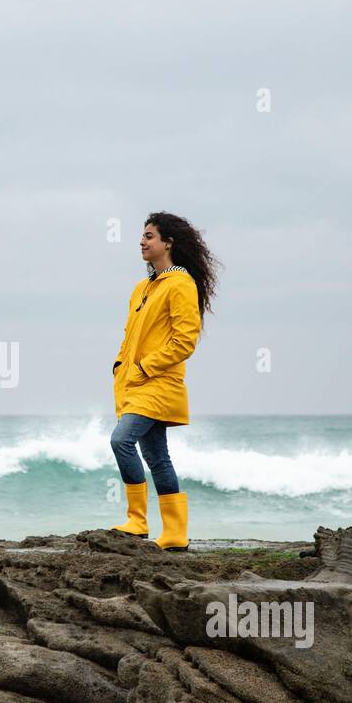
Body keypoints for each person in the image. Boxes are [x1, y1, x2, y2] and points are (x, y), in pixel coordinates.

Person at [109, 212, 218, 551]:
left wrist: (145, 367)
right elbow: (131, 336)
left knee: (121, 440)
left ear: (168, 243)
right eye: (142, 236)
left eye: (150, 236)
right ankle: (174, 534)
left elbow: (185, 340)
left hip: (158, 382)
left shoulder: (181, 283)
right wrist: (120, 366)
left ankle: (137, 521)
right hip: (133, 383)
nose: (142, 242)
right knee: (158, 458)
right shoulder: (142, 287)